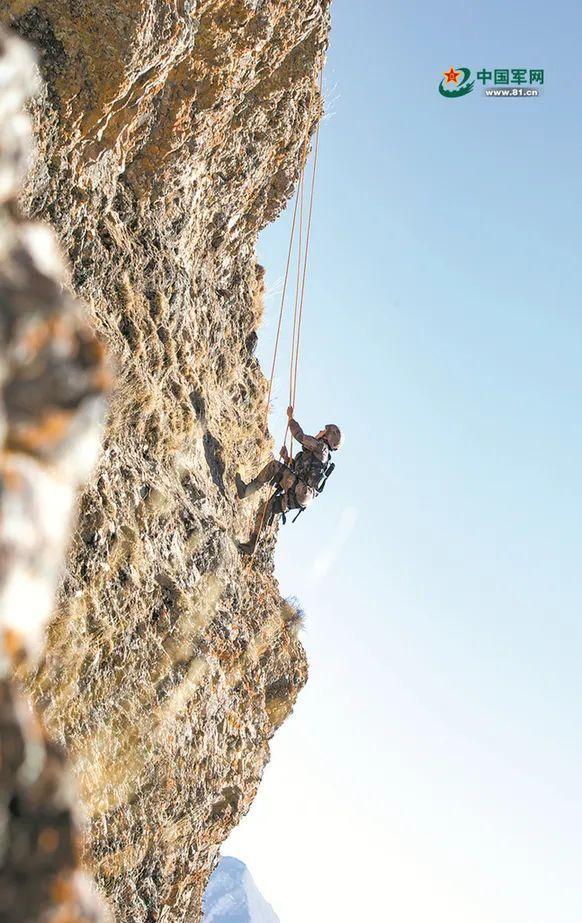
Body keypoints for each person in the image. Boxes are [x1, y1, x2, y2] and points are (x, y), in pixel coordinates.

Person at [236, 406, 343, 554]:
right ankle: (252, 545)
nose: (319, 431)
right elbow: (300, 470)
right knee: (266, 509)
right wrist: (286, 458)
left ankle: (245, 491)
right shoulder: (319, 456)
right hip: (301, 496)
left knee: (274, 466)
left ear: (327, 436)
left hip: (300, 489)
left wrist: (290, 418)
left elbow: (299, 436)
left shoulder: (321, 448)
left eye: (323, 431)